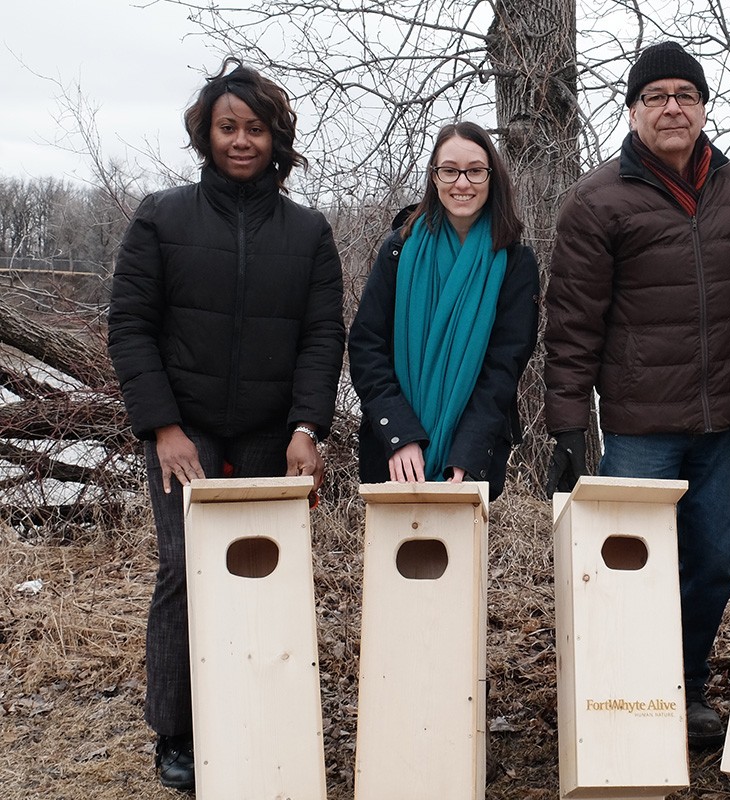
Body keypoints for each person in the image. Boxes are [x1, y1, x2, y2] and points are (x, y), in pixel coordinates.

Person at [107, 58, 345, 790]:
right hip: (188, 432)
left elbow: (321, 335)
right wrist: (162, 428)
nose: (242, 140)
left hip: (271, 432)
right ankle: (176, 732)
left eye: (256, 128)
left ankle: (259, 709)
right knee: (186, 568)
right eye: (228, 127)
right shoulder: (161, 216)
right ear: (206, 135)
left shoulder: (308, 232)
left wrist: (308, 426)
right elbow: (131, 328)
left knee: (264, 575)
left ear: (277, 138)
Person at [542, 41, 730, 749]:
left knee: (710, 564)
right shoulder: (598, 199)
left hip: (720, 425)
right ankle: (627, 691)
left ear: (705, 108)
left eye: (685, 94)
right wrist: (566, 424)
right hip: (640, 428)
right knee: (631, 568)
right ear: (632, 109)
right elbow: (572, 322)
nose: (672, 107)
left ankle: (685, 683)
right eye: (656, 96)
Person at [349, 122, 538, 499]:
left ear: (492, 177)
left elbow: (503, 366)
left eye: (475, 171)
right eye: (449, 170)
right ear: (434, 177)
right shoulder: (398, 250)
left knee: (458, 558)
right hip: (394, 455)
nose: (462, 183)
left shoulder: (515, 262)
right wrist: (400, 435)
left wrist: (465, 451)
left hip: (467, 461)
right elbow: (366, 347)